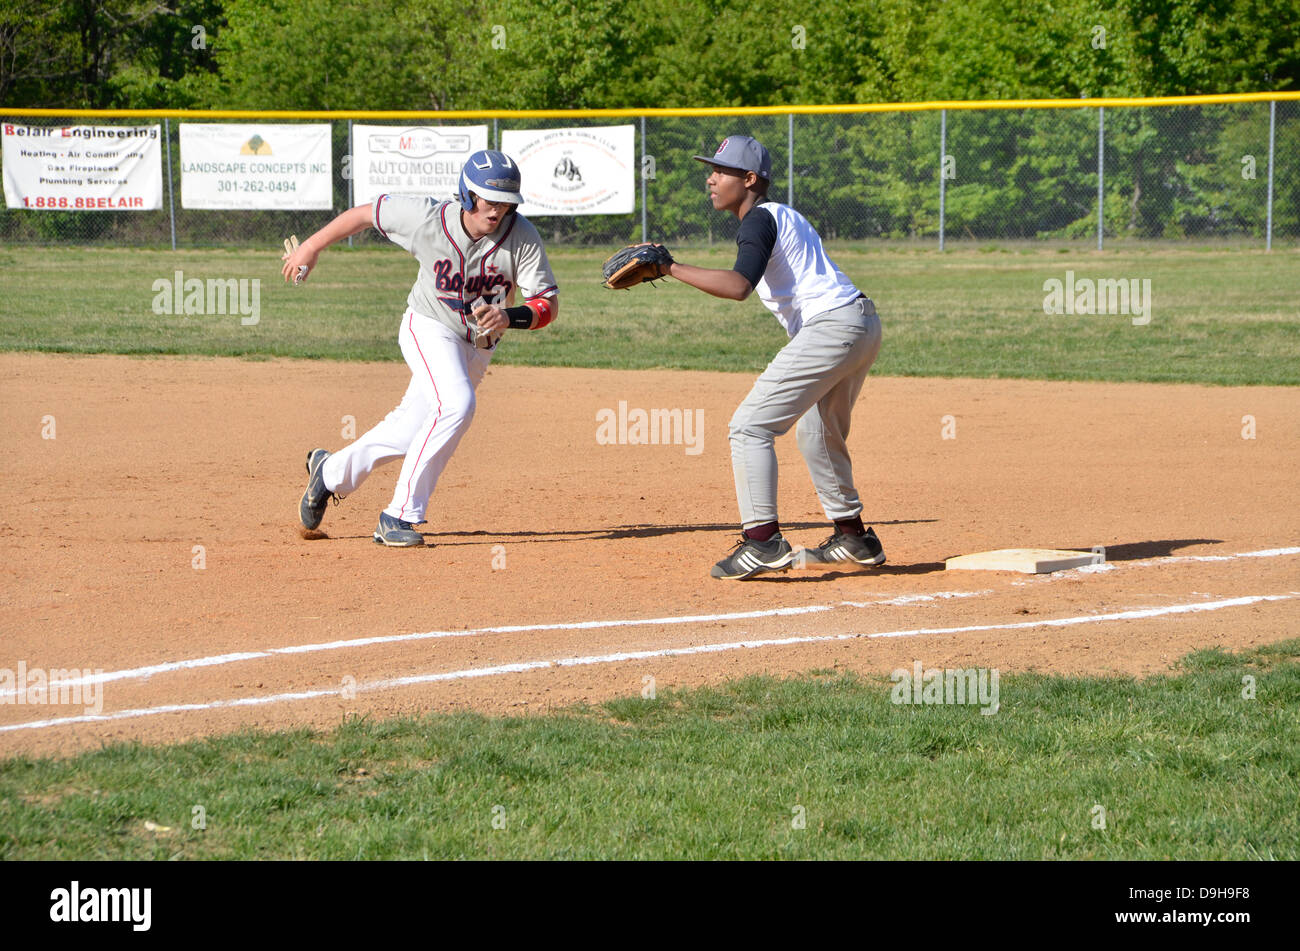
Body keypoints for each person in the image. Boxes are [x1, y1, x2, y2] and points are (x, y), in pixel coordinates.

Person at [282, 149, 559, 547]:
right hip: (428, 326)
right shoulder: (427, 219)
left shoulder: (521, 237)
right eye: (488, 199)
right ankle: (398, 516)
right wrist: (311, 246)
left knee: (409, 431)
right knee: (457, 405)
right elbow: (364, 213)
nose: (497, 211)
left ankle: (329, 473)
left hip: (477, 346)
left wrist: (511, 316)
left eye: (506, 203)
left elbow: (547, 303)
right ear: (467, 195)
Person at [663, 135, 885, 579]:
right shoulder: (780, 215)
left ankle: (762, 542)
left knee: (749, 426)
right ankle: (854, 537)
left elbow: (738, 286)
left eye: (721, 171)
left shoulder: (758, 219)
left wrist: (669, 267)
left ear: (749, 179)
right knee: (816, 431)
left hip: (834, 327)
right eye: (712, 170)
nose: (711, 178)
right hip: (860, 323)